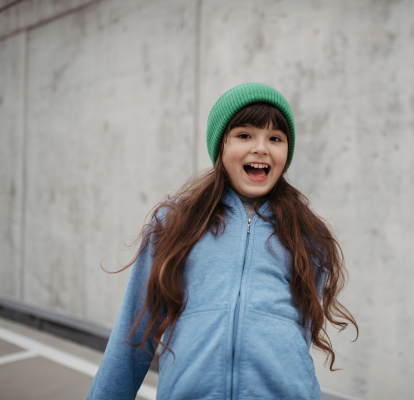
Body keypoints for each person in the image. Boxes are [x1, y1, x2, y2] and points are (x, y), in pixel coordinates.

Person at [87, 82, 358, 400]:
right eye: (245, 135)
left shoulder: (307, 235)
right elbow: (132, 332)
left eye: (275, 138)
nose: (261, 148)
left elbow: (297, 334)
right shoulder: (176, 224)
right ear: (220, 146)